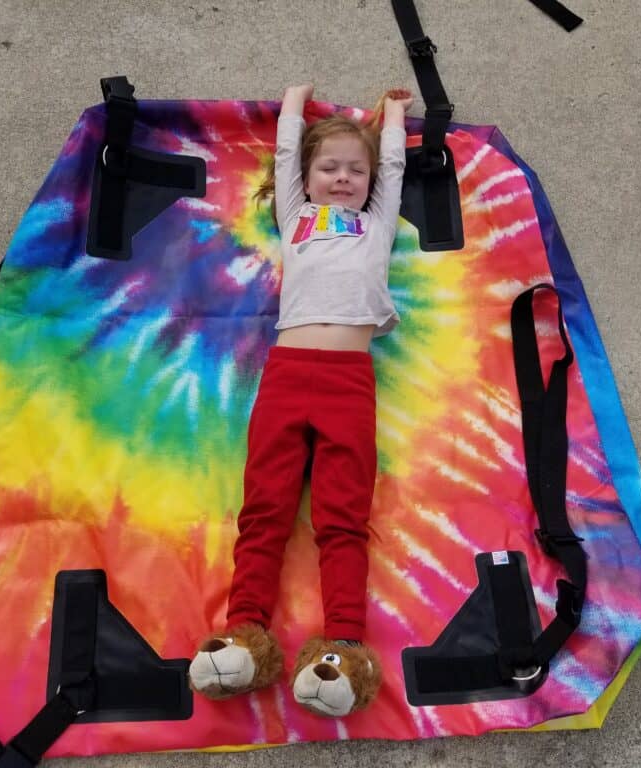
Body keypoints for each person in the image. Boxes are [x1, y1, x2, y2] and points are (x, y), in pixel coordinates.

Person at [189, 84, 412, 717]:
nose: (343, 178)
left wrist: (391, 116)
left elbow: (391, 165)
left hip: (348, 379)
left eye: (355, 170)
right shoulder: (296, 217)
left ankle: (342, 646)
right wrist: (294, 104)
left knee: (342, 518)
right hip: (286, 372)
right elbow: (286, 156)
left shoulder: (377, 224)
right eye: (329, 168)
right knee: (267, 509)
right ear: (309, 178)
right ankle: (243, 633)